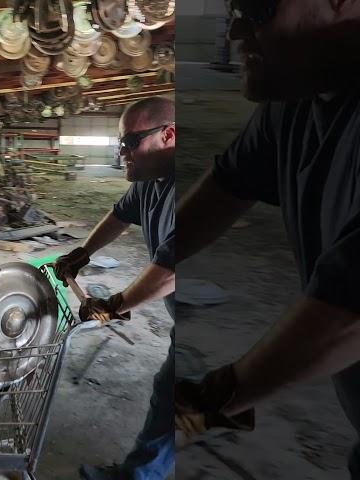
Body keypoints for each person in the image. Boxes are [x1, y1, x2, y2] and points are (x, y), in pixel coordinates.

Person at [175, 0, 360, 477]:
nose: (235, 30)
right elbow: (226, 188)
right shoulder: (302, 92)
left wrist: (215, 400)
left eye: (258, 9)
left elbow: (350, 311)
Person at [54, 96, 176, 480]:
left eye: (130, 142)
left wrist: (115, 304)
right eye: (120, 143)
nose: (122, 152)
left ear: (168, 135)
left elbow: (172, 270)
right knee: (175, 400)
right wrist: (81, 253)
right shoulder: (150, 181)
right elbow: (120, 215)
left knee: (177, 398)